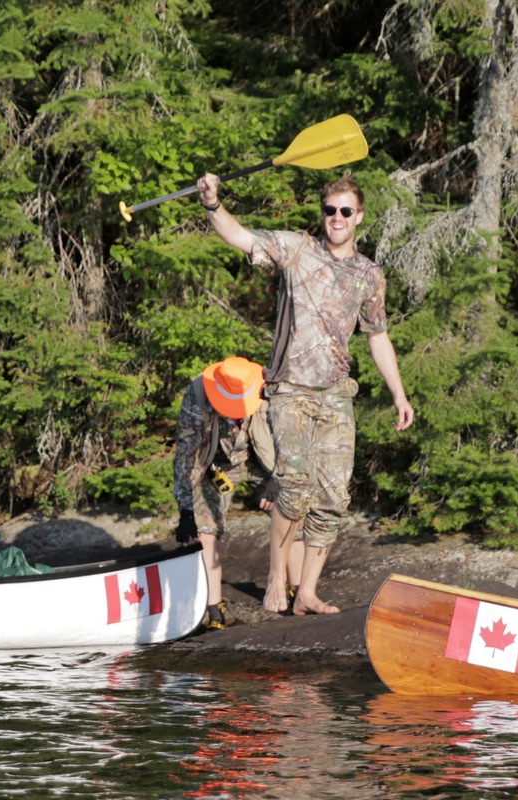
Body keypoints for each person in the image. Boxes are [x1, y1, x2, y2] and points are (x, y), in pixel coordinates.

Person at [195, 171, 414, 616]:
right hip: (291, 388)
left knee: (333, 498)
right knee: (294, 486)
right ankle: (278, 575)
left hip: (336, 393)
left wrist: (399, 394)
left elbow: (377, 336)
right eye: (330, 210)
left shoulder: (369, 275)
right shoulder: (297, 249)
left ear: (359, 217)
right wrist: (213, 203)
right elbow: (238, 236)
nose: (336, 217)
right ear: (323, 214)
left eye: (345, 211)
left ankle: (308, 592)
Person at [173, 356, 283, 630]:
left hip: (262, 457)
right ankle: (215, 610)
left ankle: (291, 591)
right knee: (205, 530)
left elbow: (289, 438)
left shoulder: (269, 389)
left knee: (291, 509)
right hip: (215, 464)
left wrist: (278, 478)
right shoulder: (197, 395)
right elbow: (186, 455)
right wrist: (185, 508)